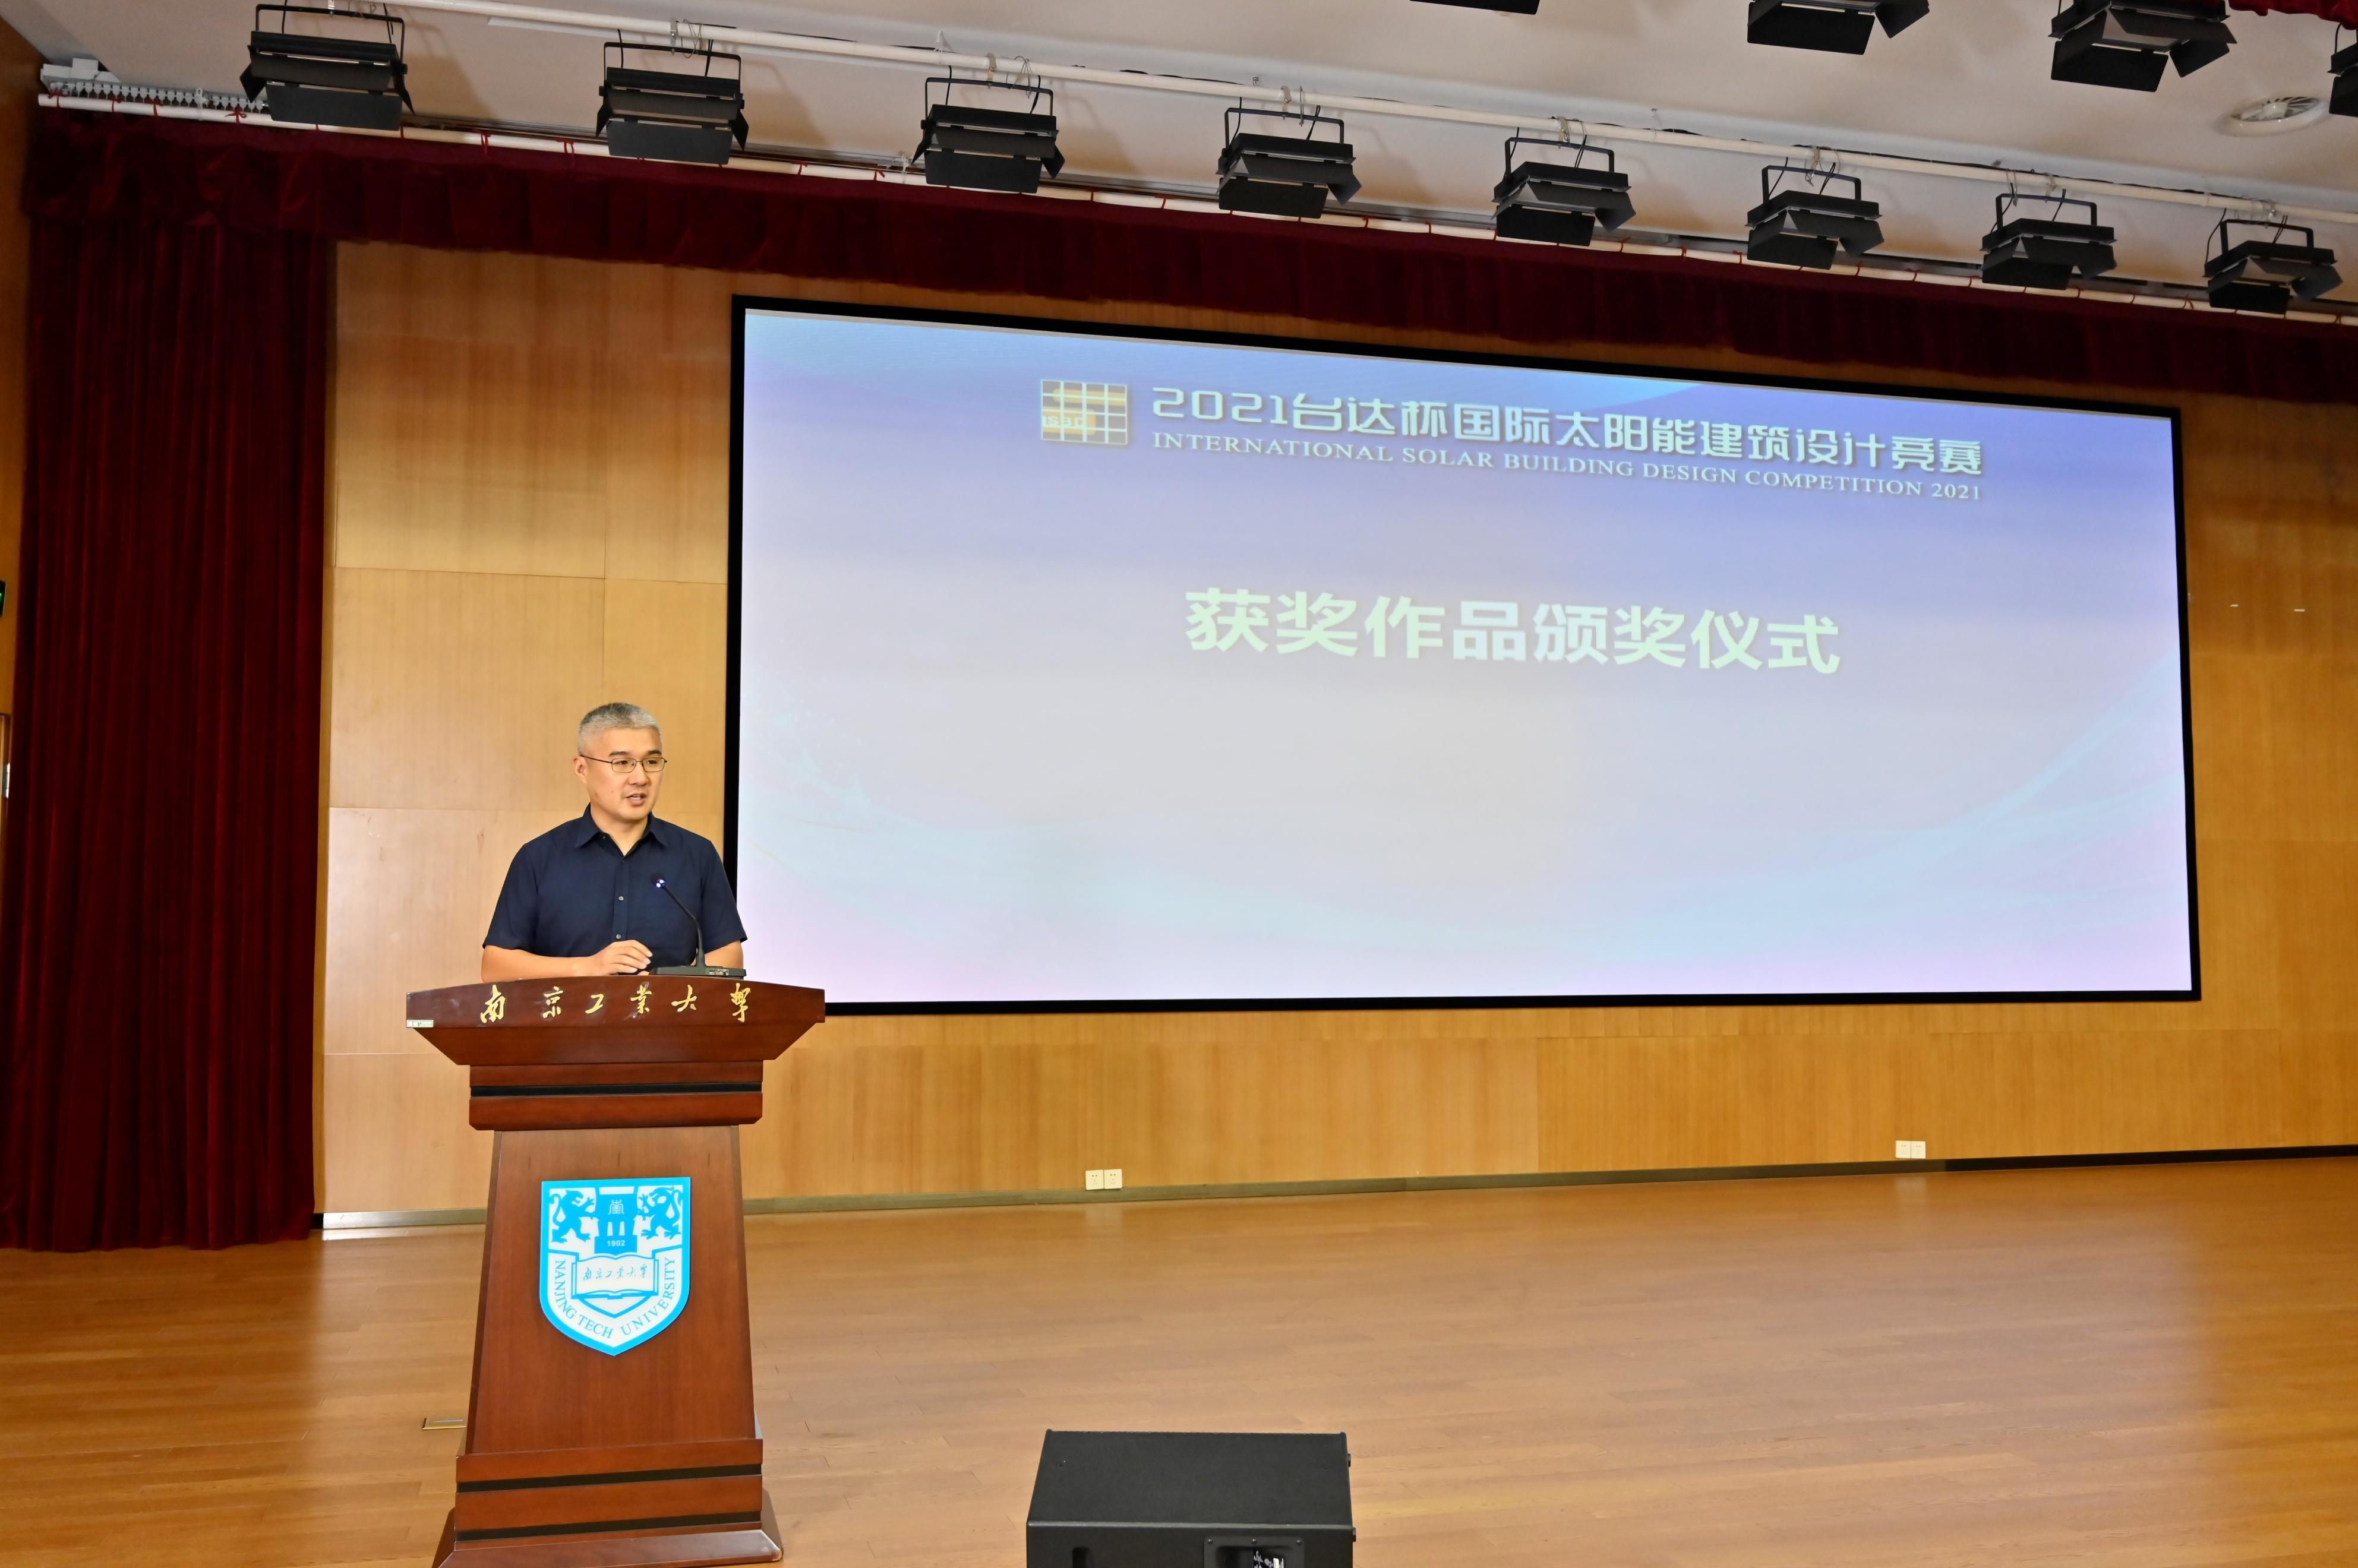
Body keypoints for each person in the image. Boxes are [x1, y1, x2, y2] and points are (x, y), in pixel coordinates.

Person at [481, 702, 747, 981]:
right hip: (569, 1010)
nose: (641, 778)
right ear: (582, 769)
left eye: (651, 762)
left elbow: (728, 954)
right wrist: (587, 968)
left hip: (666, 1010)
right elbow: (496, 966)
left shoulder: (697, 854)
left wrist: (664, 989)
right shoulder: (539, 857)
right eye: (622, 763)